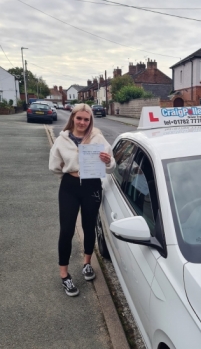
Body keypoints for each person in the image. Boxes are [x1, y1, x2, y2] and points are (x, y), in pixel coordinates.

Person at [49, 103, 116, 296]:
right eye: (79, 118)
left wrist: (107, 161)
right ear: (73, 118)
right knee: (67, 230)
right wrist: (69, 175)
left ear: (90, 120)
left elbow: (111, 166)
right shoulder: (62, 140)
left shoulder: (98, 138)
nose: (82, 122)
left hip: (92, 186)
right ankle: (64, 275)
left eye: (86, 119)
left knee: (89, 226)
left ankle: (87, 264)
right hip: (69, 187)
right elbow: (53, 166)